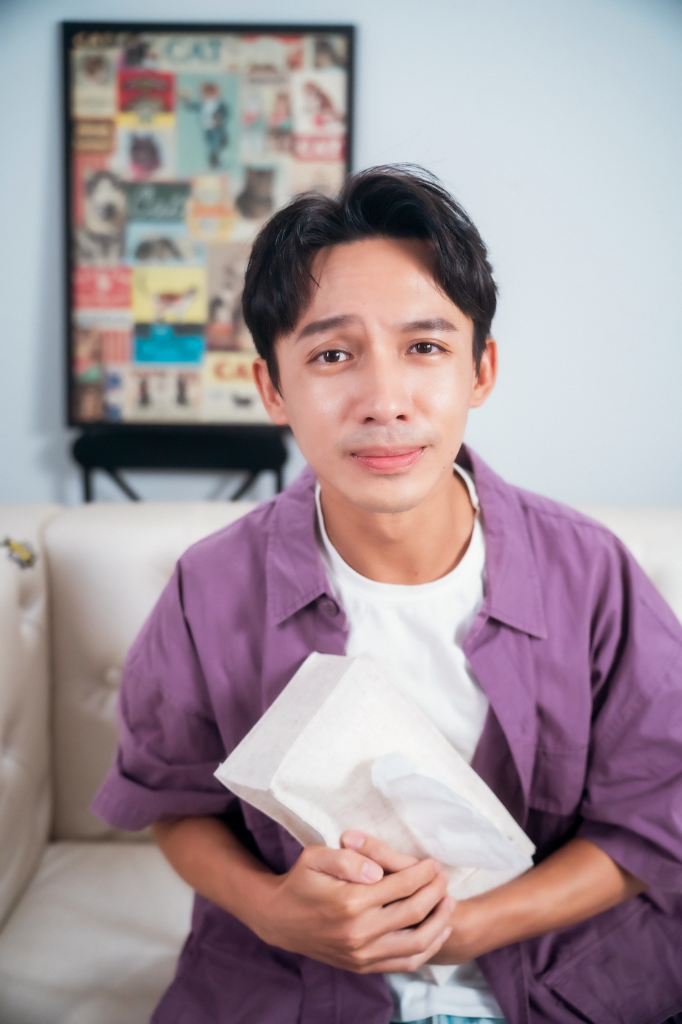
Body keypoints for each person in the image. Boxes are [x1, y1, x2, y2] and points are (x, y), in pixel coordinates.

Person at [93, 166, 682, 1024]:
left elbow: (655, 815)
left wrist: (467, 928)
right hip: (289, 989)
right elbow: (174, 803)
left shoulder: (591, 573)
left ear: (481, 369)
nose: (384, 401)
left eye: (425, 348)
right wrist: (274, 911)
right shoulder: (208, 587)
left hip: (562, 980)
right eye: (332, 355)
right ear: (273, 389)